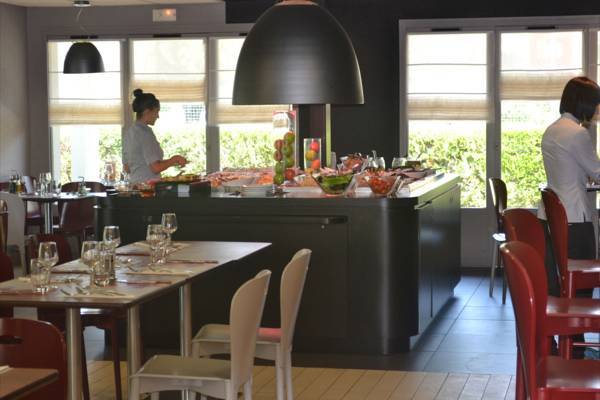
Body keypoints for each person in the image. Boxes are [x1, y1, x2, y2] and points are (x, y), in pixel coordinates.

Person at [538, 76, 600, 358]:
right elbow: (596, 172)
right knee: (580, 287)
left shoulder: (551, 130)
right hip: (575, 218)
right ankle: (575, 347)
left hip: (551, 216)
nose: (596, 110)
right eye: (595, 104)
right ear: (584, 103)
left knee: (557, 283)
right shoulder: (577, 133)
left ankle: (561, 342)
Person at [122, 89, 187, 183]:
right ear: (147, 112)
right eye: (156, 111)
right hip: (148, 188)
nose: (158, 116)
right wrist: (175, 159)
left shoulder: (129, 133)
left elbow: (127, 168)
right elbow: (156, 168)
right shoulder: (144, 133)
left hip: (135, 186)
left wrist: (171, 163)